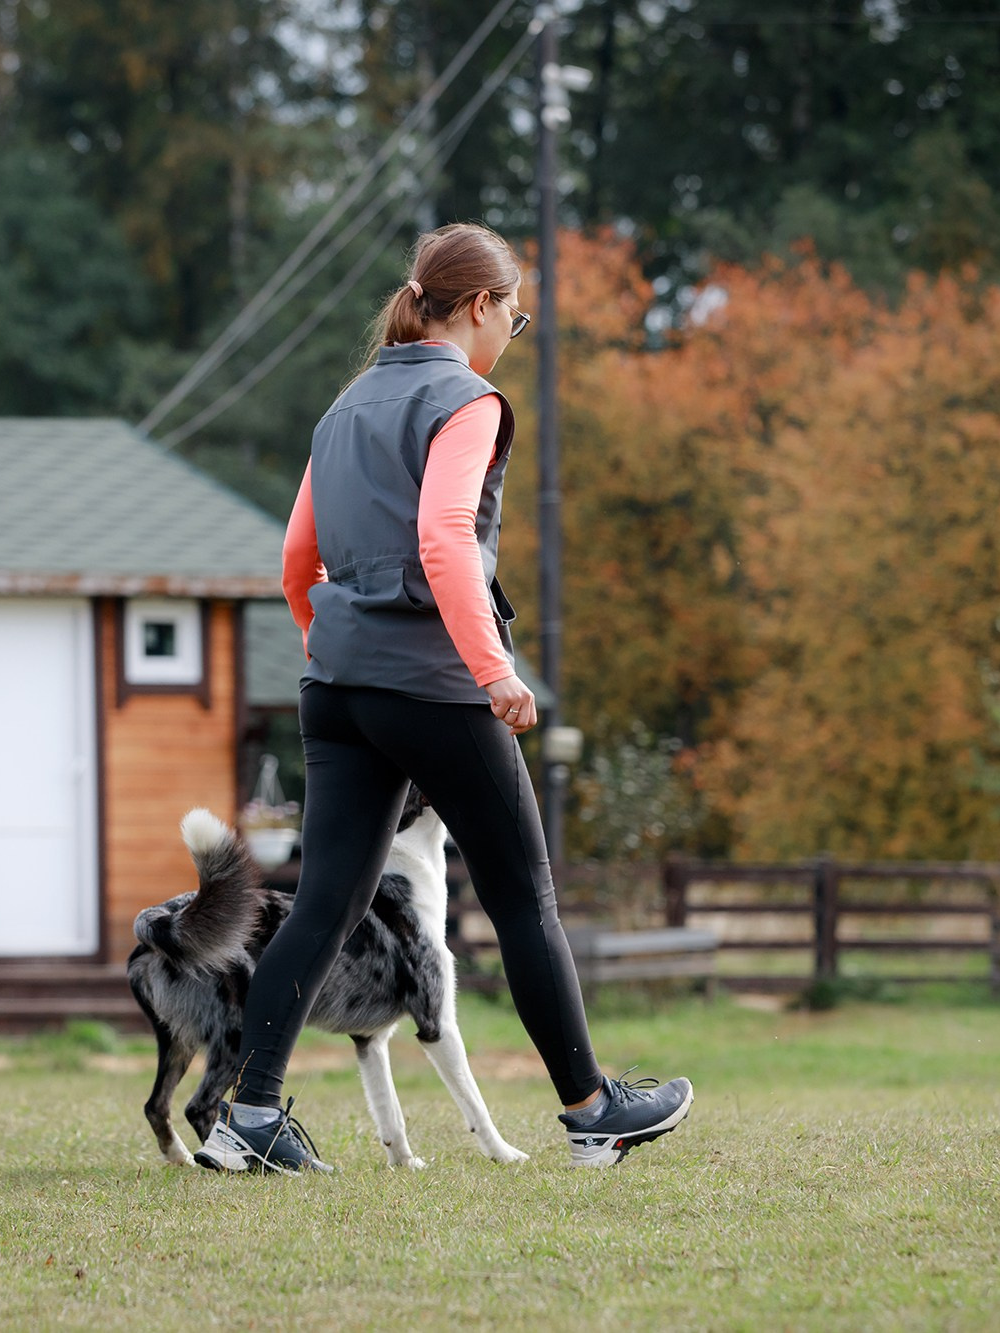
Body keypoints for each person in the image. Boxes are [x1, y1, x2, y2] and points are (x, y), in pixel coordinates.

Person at [192, 222, 694, 1174]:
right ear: (478, 308)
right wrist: (494, 670)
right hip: (434, 678)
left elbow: (298, 558)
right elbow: (443, 538)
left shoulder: (344, 408)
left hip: (336, 688)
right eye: (515, 312)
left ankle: (246, 1115)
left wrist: (329, 639)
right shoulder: (467, 398)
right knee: (522, 894)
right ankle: (593, 1111)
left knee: (322, 906)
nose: (515, 328)